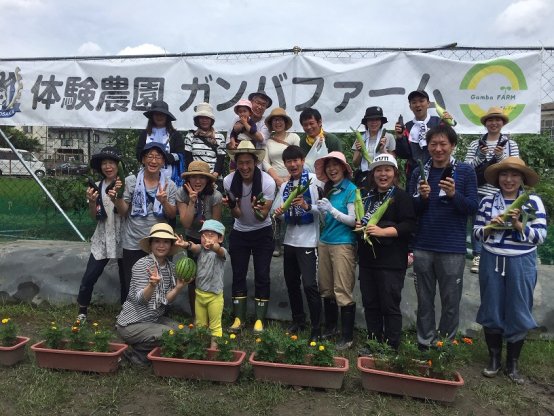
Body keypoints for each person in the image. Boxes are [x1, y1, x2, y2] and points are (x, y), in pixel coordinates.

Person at [473, 157, 546, 384]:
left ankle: (512, 363)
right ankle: (494, 359)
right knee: (491, 306)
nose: (509, 179)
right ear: (498, 179)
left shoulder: (532, 202)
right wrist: (490, 227)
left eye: (515, 175)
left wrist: (518, 226)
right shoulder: (487, 201)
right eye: (504, 175)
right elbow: (476, 231)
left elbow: (541, 236)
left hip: (521, 262)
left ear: (522, 178)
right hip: (491, 258)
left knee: (519, 308)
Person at [408, 124, 478, 348]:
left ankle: (445, 344)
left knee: (450, 300)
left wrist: (453, 194)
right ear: (427, 146)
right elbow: (411, 209)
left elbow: (472, 208)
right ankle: (424, 341)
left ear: (453, 146)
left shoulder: (465, 171)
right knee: (425, 299)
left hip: (452, 247)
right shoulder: (420, 171)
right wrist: (422, 198)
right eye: (433, 144)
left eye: (443, 144)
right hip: (424, 245)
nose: (438, 149)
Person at [357, 154, 416, 351]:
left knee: (389, 304)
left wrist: (383, 231)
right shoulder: (367, 196)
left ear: (395, 173)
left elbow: (408, 225)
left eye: (387, 170)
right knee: (370, 302)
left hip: (391, 261)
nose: (383, 174)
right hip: (367, 260)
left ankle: (391, 345)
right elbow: (360, 219)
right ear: (373, 174)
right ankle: (373, 341)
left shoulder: (401, 197)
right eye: (379, 170)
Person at [116, 223, 189, 366]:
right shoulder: (141, 265)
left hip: (153, 319)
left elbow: (165, 300)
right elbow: (140, 300)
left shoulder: (171, 268)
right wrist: (151, 285)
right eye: (157, 241)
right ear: (150, 245)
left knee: (185, 333)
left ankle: (149, 348)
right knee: (170, 334)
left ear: (170, 246)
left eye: (166, 241)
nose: (161, 245)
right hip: (132, 323)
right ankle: (135, 354)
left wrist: (179, 287)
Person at [114, 142, 178, 303]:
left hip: (159, 242)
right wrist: (116, 198)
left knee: (161, 280)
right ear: (143, 159)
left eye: (158, 157)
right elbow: (123, 211)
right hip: (133, 241)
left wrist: (164, 202)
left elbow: (171, 214)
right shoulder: (131, 181)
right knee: (132, 281)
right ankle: (131, 314)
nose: (154, 160)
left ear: (163, 162)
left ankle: (159, 311)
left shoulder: (169, 185)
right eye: (150, 156)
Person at [223, 141, 276, 333]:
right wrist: (231, 206)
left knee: (262, 274)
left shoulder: (268, 183)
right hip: (240, 232)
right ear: (236, 163)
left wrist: (257, 210)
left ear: (255, 162)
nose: (244, 167)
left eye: (248, 162)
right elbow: (237, 214)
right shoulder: (228, 181)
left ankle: (260, 319)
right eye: (241, 163)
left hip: (263, 231)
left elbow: (263, 216)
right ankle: (239, 318)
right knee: (238, 273)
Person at [272, 145, 322, 340]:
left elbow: (323, 211)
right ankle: (298, 320)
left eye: (296, 160)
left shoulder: (314, 182)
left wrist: (307, 206)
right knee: (292, 283)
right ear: (284, 164)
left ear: (302, 161)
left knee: (310, 285)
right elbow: (279, 213)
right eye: (288, 162)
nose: (293, 165)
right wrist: (278, 214)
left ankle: (317, 328)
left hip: (309, 242)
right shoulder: (284, 186)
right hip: (290, 241)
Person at [464, 107, 519, 273]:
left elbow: (517, 166)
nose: (494, 123)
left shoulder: (511, 144)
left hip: (502, 191)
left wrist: (502, 157)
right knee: (478, 222)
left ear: (502, 123)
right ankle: (478, 255)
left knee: (502, 220)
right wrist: (480, 157)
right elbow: (466, 168)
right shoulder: (476, 144)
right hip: (478, 189)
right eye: (490, 120)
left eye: (497, 120)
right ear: (485, 123)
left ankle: (501, 253)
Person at [76, 147, 125, 322]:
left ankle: (125, 312)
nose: (108, 166)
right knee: (90, 275)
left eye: (111, 162)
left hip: (123, 235)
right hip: (103, 236)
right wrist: (91, 201)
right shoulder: (96, 186)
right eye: (104, 163)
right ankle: (82, 310)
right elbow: (94, 216)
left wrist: (116, 198)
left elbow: (127, 212)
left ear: (118, 165)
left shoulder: (126, 184)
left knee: (125, 277)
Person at [314, 151, 357, 349]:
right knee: (326, 288)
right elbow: (327, 220)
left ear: (343, 168)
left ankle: (347, 337)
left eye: (335, 165)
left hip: (343, 243)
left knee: (342, 289)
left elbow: (353, 220)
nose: (332, 169)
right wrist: (321, 211)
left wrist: (331, 210)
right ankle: (331, 328)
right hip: (325, 241)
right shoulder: (328, 189)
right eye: (328, 166)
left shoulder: (351, 189)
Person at [176, 160, 223, 317]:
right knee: (192, 276)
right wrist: (192, 201)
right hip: (192, 237)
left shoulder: (215, 196)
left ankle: (212, 313)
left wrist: (210, 242)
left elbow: (216, 225)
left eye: (201, 177)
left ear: (208, 180)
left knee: (209, 275)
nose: (197, 181)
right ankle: (196, 316)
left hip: (210, 240)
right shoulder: (181, 193)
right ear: (187, 179)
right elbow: (186, 223)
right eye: (193, 177)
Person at [262, 107, 301, 257]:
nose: (278, 122)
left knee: (293, 208)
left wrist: (290, 177)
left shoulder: (294, 138)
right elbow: (266, 162)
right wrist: (277, 179)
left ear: (285, 122)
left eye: (280, 119)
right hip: (273, 180)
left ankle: (290, 242)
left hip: (293, 178)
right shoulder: (268, 142)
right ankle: (276, 243)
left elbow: (298, 158)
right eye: (275, 120)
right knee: (275, 212)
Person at [180, 220, 228, 339]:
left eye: (211, 235)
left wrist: (215, 246)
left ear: (220, 239)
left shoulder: (220, 253)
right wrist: (186, 244)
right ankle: (200, 350)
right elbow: (194, 247)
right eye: (203, 235)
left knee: (215, 327)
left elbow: (220, 251)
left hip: (214, 296)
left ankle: (214, 352)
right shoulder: (201, 249)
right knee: (200, 325)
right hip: (199, 295)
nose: (206, 238)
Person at [394, 90, 448, 179]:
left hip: (438, 170)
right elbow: (404, 154)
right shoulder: (407, 126)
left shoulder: (439, 122)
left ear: (428, 103)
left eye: (421, 101)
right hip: (413, 173)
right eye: (414, 102)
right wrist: (400, 138)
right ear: (410, 106)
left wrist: (449, 125)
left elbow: (448, 145)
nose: (418, 105)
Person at [135, 100, 185, 187]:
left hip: (168, 175)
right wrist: (150, 159)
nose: (159, 117)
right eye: (156, 114)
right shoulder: (145, 134)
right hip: (146, 175)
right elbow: (139, 153)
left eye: (162, 114)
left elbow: (180, 154)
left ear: (167, 117)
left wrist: (166, 157)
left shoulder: (175, 135)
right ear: (152, 116)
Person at [352, 106, 395, 185]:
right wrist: (360, 152)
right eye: (371, 120)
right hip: (364, 176)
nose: (374, 122)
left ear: (381, 121)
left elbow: (393, 162)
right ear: (366, 122)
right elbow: (355, 164)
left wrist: (383, 150)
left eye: (377, 119)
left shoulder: (388, 137)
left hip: (382, 176)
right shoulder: (360, 138)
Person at [184, 102, 226, 179]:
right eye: (201, 118)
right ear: (197, 120)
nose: (204, 120)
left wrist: (214, 176)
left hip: (214, 178)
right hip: (196, 177)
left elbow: (221, 158)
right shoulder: (190, 136)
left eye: (207, 118)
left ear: (211, 120)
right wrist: (194, 175)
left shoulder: (219, 137)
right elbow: (188, 159)